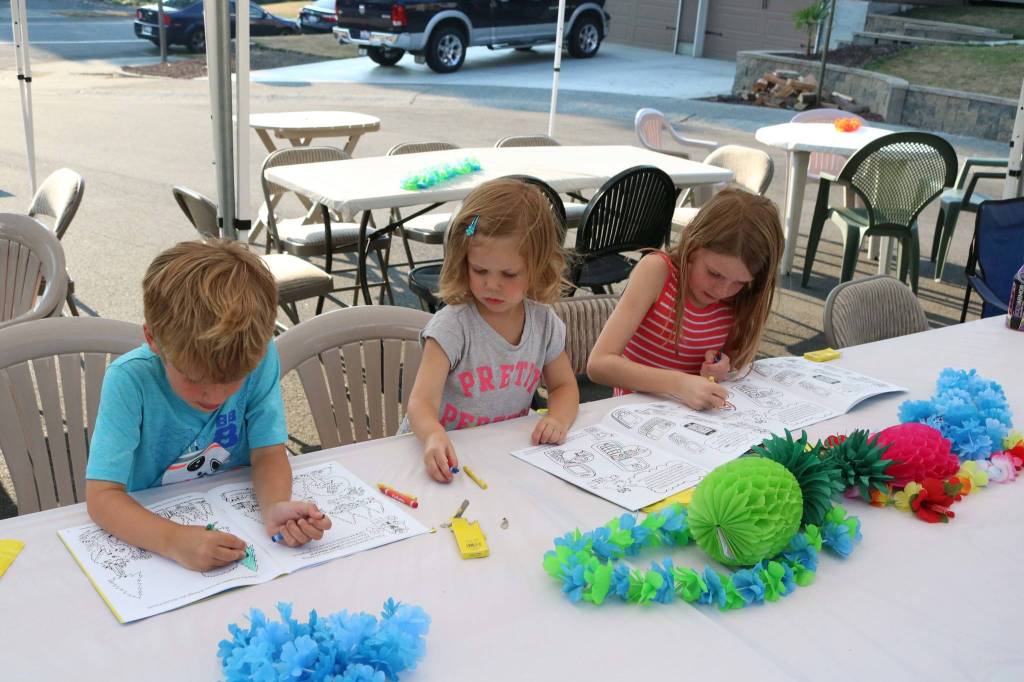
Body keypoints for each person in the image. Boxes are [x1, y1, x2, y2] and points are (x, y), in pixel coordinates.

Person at [85, 240, 331, 571]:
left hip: (232, 519)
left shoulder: (260, 358)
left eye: (233, 379)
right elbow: (102, 497)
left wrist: (275, 505)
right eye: (193, 378)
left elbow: (268, 452)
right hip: (152, 535)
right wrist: (173, 540)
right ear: (153, 339)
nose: (214, 396)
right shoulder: (129, 382)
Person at [404, 178, 580, 483]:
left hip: (497, 456)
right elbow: (421, 403)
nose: (492, 285)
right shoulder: (453, 327)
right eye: (480, 270)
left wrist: (557, 419)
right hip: (437, 454)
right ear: (464, 262)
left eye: (509, 274)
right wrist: (433, 434)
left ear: (537, 268)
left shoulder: (544, 323)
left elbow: (564, 387)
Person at [587, 188, 784, 410]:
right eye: (714, 273)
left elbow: (729, 358)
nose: (722, 290)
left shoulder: (741, 298)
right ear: (692, 244)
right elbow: (599, 364)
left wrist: (721, 365)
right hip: (635, 414)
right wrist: (679, 383)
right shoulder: (657, 272)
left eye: (739, 282)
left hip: (693, 418)